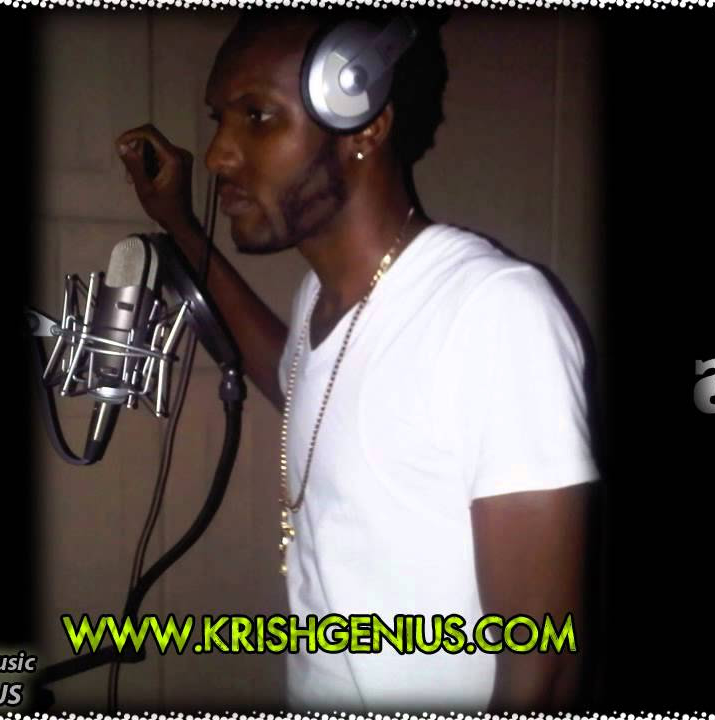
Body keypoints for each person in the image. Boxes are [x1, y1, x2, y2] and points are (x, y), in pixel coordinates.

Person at [116, 9, 597, 713]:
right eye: (221, 120)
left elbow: (544, 668)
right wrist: (181, 226)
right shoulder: (324, 299)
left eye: (257, 117)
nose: (218, 154)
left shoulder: (493, 311)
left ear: (365, 126)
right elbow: (303, 385)